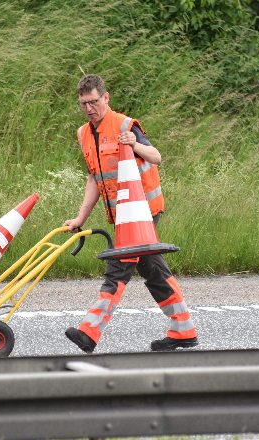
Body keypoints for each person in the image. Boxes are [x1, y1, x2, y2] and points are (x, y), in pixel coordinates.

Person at [63, 74, 199, 353]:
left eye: (93, 102)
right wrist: (80, 218)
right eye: (83, 104)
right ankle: (184, 329)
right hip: (123, 216)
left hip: (142, 213)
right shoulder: (84, 133)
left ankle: (90, 331)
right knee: (154, 271)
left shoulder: (125, 125)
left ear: (106, 98)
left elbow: (156, 156)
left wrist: (133, 144)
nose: (89, 108)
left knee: (118, 269)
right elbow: (94, 178)